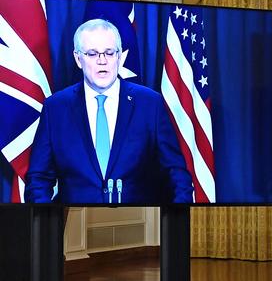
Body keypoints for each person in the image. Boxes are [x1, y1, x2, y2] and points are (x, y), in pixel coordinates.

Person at [25, 19, 194, 204]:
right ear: (78, 58)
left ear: (119, 56)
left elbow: (177, 174)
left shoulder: (150, 104)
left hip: (139, 224)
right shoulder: (55, 108)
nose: (102, 61)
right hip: (74, 223)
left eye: (109, 53)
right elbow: (38, 180)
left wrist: (174, 220)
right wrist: (47, 223)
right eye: (92, 54)